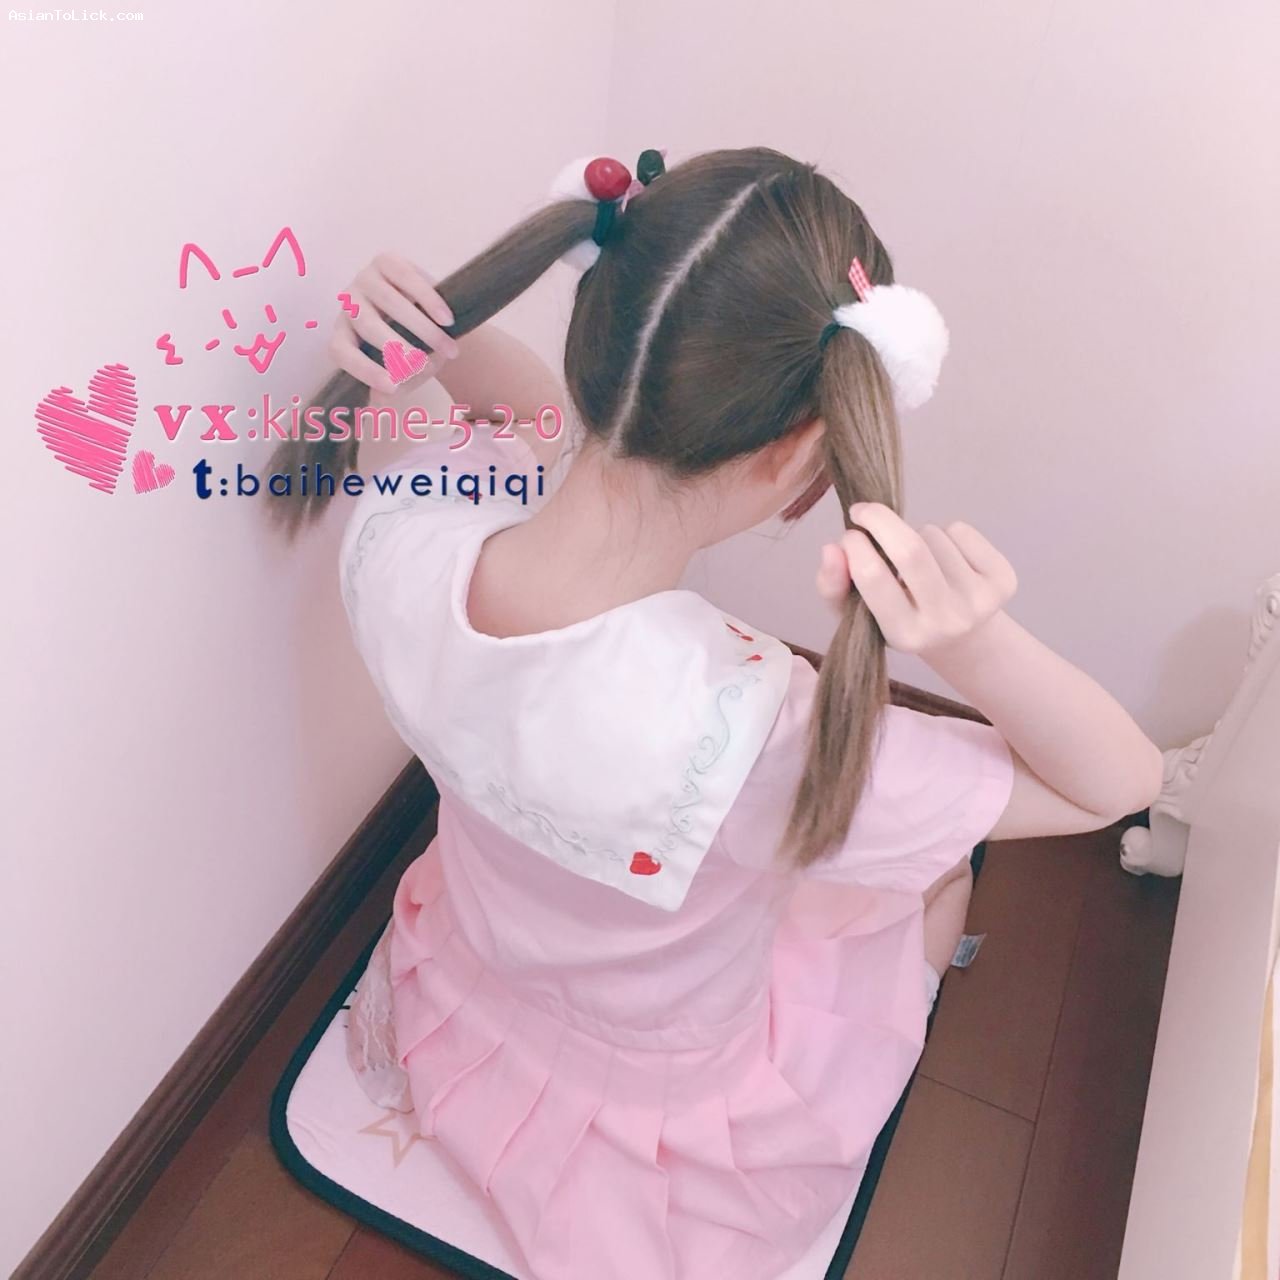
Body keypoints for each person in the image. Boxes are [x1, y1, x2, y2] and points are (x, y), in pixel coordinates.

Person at [273, 147, 1161, 1280]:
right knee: (931, 881)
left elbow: (527, 424)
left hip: (476, 970)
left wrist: (442, 332)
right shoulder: (752, 735)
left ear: (600, 345)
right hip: (667, 1096)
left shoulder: (404, 532)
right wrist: (969, 643)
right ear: (800, 451)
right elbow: (1118, 782)